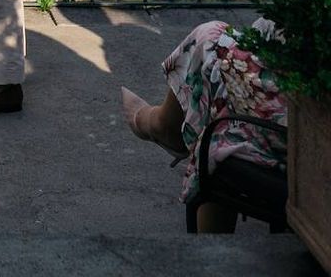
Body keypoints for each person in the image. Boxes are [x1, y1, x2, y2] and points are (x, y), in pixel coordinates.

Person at [121, 18, 288, 231]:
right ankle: (165, 126)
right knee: (228, 84)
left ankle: (164, 126)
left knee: (209, 36)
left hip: (294, 133)